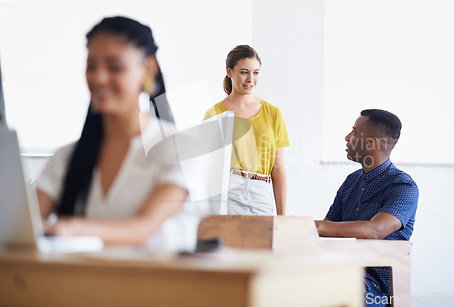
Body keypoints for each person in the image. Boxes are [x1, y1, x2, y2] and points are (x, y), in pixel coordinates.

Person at [36, 16, 194, 250]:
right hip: (80, 285)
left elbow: (143, 227)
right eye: (92, 66)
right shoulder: (66, 158)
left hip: (157, 285)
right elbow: (23, 225)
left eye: (114, 67)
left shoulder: (182, 147)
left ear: (148, 68)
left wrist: (70, 229)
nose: (99, 78)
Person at [315, 109, 419, 307]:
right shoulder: (351, 181)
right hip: (337, 270)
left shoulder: (403, 186)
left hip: (372, 287)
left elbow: (375, 230)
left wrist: (314, 227)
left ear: (371, 143)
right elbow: (328, 228)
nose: (347, 137)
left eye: (354, 132)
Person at [203, 45, 290, 215]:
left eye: (256, 72)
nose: (251, 79)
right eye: (244, 72)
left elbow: (278, 168)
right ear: (229, 72)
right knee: (228, 242)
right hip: (227, 194)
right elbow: (206, 169)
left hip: (261, 195)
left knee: (263, 241)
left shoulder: (273, 113)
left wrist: (282, 216)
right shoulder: (214, 115)